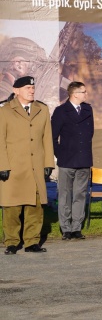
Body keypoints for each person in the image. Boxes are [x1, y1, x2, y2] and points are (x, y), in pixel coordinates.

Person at [0, 76, 55, 254]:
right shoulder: (5, 110)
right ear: (16, 91)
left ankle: (32, 242)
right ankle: (11, 242)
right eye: (26, 88)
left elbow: (47, 138)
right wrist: (2, 166)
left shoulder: (42, 109)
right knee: (12, 207)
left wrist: (48, 163)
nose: (31, 90)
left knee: (35, 205)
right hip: (14, 167)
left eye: (32, 87)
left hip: (35, 166)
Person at [51, 81, 94, 240]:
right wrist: (60, 155)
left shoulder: (88, 109)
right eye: (83, 92)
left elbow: (90, 133)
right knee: (65, 195)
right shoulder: (61, 111)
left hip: (83, 159)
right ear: (75, 94)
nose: (86, 94)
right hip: (67, 160)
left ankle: (77, 227)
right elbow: (53, 137)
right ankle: (66, 228)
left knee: (80, 195)